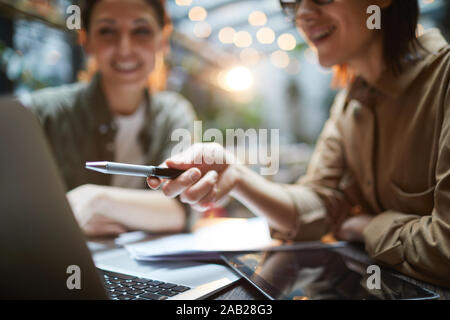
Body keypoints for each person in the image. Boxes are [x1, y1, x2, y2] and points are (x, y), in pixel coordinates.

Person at [148, 0, 450, 287]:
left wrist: (366, 227)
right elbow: (317, 206)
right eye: (292, 3)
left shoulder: (443, 81)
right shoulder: (349, 104)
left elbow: (445, 248)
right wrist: (236, 174)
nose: (303, 15)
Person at [26, 0, 196, 236]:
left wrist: (97, 199)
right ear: (86, 41)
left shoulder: (173, 114)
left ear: (162, 40)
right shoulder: (41, 112)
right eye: (107, 31)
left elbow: (179, 209)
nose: (124, 48)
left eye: (141, 31)